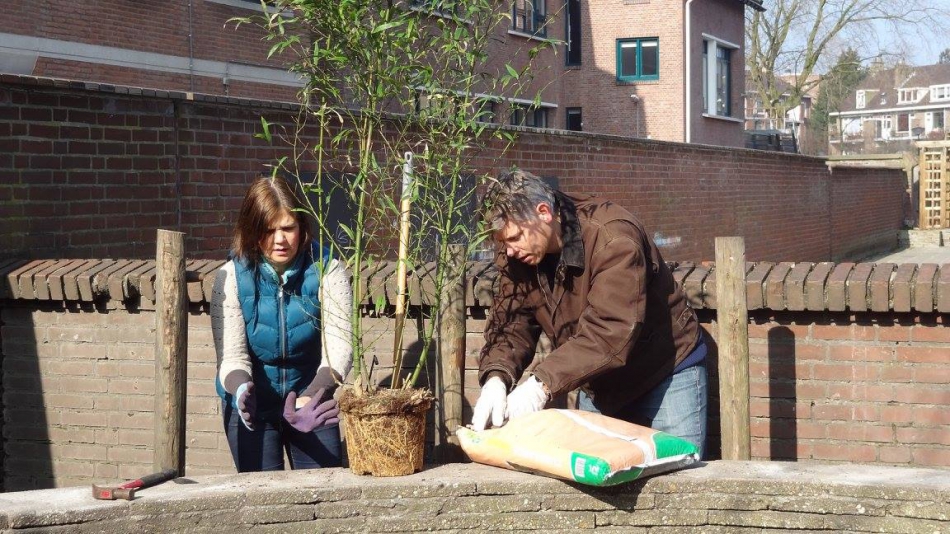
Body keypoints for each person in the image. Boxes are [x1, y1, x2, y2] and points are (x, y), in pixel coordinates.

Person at [471, 169, 708, 457]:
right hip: (598, 378)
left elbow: (610, 330)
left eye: (515, 237)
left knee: (678, 472)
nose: (508, 251)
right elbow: (512, 320)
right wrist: (497, 377)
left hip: (664, 370)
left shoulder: (612, 238)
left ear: (544, 212)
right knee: (596, 477)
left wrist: (540, 385)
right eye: (502, 242)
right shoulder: (517, 250)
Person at [211, 175, 353, 472]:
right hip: (253, 407)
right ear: (251, 230)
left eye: (288, 228)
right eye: (268, 230)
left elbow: (339, 349)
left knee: (323, 490)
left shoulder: (328, 270)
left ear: (302, 227)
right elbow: (232, 357)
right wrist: (241, 390)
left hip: (310, 400)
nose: (280, 239)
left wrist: (309, 397)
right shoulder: (231, 277)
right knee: (260, 495)